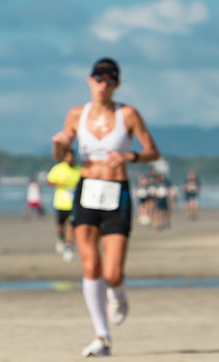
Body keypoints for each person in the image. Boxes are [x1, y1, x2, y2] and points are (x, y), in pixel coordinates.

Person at [52, 57, 159, 357]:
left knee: (111, 272)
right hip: (86, 191)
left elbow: (152, 151)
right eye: (98, 78)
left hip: (116, 193)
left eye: (109, 79)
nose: (103, 84)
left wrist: (129, 157)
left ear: (117, 84)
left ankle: (118, 293)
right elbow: (62, 156)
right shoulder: (76, 114)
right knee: (90, 266)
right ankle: (102, 337)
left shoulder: (128, 114)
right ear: (89, 81)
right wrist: (59, 144)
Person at [46, 150, 82, 262]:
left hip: (75, 203)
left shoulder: (79, 170)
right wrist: (59, 184)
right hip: (61, 202)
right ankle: (60, 239)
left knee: (72, 225)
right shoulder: (58, 168)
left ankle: (69, 246)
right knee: (60, 226)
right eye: (67, 157)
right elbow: (49, 181)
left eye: (72, 157)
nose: (70, 159)